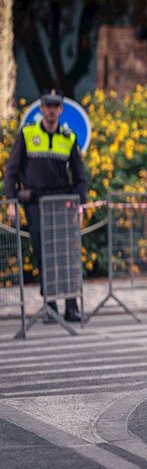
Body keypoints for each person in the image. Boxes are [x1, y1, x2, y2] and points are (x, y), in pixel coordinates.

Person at [3, 90, 88, 321]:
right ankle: (50, 306)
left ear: (61, 110)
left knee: (65, 255)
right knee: (42, 254)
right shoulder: (28, 134)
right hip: (36, 205)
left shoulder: (68, 138)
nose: (52, 110)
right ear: (41, 108)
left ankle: (71, 306)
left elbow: (80, 178)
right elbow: (11, 170)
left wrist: (80, 206)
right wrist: (11, 199)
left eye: (56, 107)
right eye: (48, 106)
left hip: (62, 204)